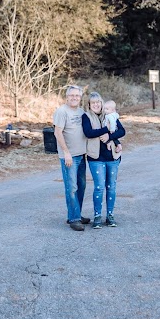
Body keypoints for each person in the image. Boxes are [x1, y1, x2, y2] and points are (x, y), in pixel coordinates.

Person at [82, 92, 126, 229]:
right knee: (99, 187)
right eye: (93, 102)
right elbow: (88, 133)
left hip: (112, 157)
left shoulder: (109, 115)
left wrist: (110, 138)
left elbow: (122, 131)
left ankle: (110, 215)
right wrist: (106, 130)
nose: (96, 104)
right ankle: (97, 216)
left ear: (102, 103)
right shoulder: (86, 116)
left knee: (111, 186)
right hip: (95, 158)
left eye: (98, 102)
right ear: (89, 105)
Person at [53, 85, 90, 231]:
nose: (74, 98)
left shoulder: (81, 112)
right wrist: (66, 152)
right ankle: (74, 219)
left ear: (80, 98)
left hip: (81, 155)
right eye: (72, 95)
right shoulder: (61, 111)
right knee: (72, 187)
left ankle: (76, 214)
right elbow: (57, 132)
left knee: (81, 186)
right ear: (67, 96)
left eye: (77, 95)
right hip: (69, 157)